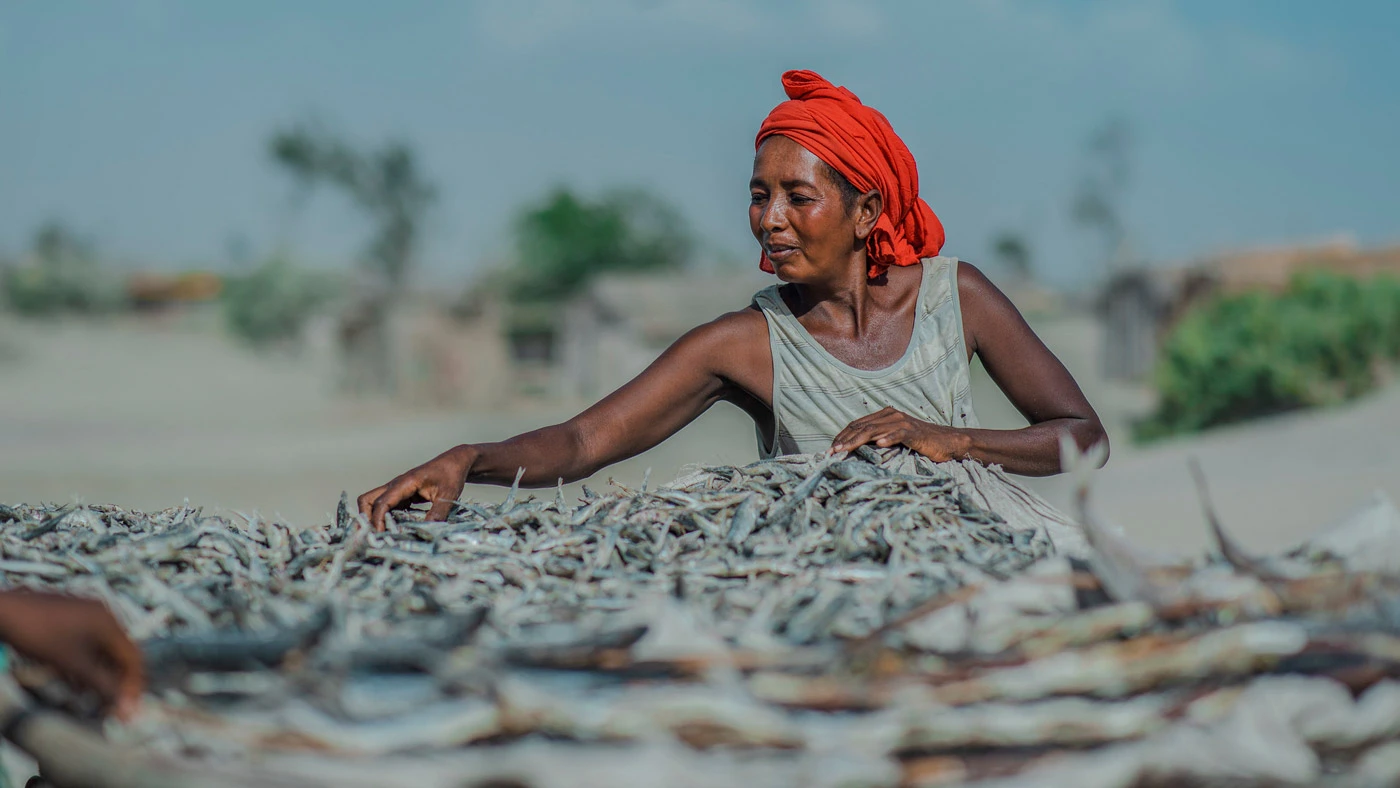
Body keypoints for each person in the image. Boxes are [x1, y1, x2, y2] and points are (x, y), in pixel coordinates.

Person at [359, 70, 1107, 530]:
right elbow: (584, 443)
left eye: (797, 197)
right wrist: (469, 458)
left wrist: (950, 437)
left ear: (867, 212)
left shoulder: (959, 296)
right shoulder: (743, 344)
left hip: (985, 552)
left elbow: (1082, 436)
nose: (770, 219)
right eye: (758, 195)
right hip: (846, 581)